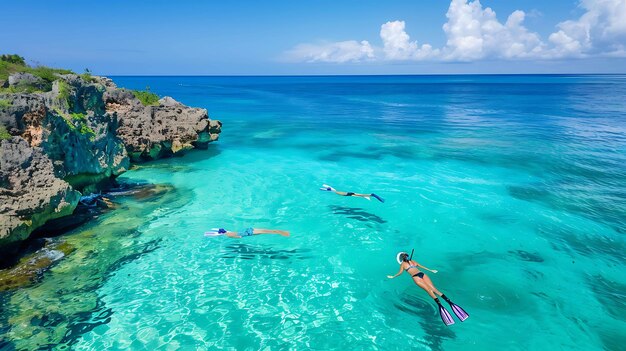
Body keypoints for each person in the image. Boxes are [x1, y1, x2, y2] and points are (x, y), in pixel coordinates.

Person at [387, 251, 469, 325]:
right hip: (420, 275)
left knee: (431, 290)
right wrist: (431, 270)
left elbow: (404, 271)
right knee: (432, 289)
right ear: (405, 257)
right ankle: (446, 302)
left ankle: (441, 303)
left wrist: (393, 276)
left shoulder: (406, 264)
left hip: (418, 276)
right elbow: (417, 268)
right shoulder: (408, 263)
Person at [319, 184, 385, 203]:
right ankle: (370, 195)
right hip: (348, 194)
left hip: (347, 194)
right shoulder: (335, 191)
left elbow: (331, 189)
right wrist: (325, 188)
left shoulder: (336, 192)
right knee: (358, 195)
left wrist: (326, 188)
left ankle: (371, 195)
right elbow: (330, 188)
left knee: (358, 195)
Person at [205, 227, 290, 238]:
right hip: (249, 229)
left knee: (265, 232)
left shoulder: (228, 235)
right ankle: (281, 231)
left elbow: (239, 237)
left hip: (249, 233)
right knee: (265, 231)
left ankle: (281, 233)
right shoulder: (229, 232)